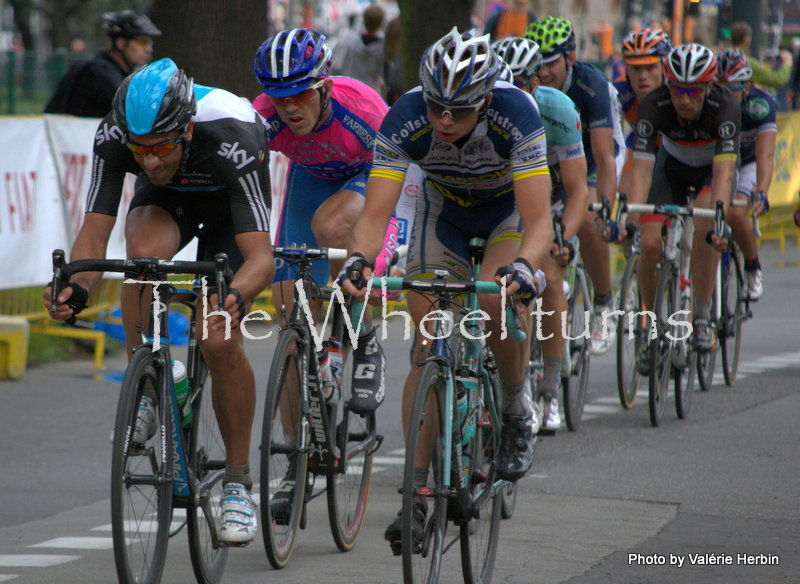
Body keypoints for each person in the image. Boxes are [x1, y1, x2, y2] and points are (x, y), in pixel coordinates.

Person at [44, 58, 274, 544]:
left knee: (218, 341)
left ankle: (237, 483)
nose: (149, 161)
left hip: (229, 204)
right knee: (142, 257)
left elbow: (260, 258)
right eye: (140, 150)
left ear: (186, 129)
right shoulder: (116, 133)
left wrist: (234, 297)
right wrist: (76, 290)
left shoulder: (233, 133)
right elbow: (95, 232)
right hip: (170, 202)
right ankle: (148, 380)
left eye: (161, 148)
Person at [340, 27, 552, 547]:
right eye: (437, 107)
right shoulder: (406, 117)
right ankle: (414, 497)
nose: (446, 120)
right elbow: (375, 213)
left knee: (491, 297)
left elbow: (539, 219)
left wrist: (524, 266)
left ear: (485, 98)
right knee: (428, 344)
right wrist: (359, 261)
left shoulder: (516, 112)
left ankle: (513, 403)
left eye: (459, 110)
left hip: (505, 216)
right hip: (444, 215)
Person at [252, 28, 393, 519]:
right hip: (312, 179)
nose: (289, 106)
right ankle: (297, 456)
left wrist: (375, 258)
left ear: (325, 86)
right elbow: (241, 181)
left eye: (300, 93)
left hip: (370, 177)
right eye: (279, 94)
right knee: (290, 319)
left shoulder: (363, 109)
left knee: (332, 225)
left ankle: (362, 330)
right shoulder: (265, 117)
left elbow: (397, 183)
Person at [493, 35, 588, 433]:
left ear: (538, 83)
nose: (516, 92)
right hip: (508, 202)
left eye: (525, 83)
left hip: (553, 198)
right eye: (507, 82)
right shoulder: (491, 109)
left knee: (548, 279)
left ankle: (548, 391)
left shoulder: (558, 109)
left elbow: (579, 189)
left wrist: (562, 236)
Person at [625, 43, 740, 370]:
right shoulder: (653, 104)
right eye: (677, 89)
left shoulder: (725, 105)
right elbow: (643, 170)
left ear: (708, 87)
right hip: (670, 168)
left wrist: (719, 222)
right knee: (648, 244)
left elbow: (723, 173)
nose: (684, 99)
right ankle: (652, 325)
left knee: (705, 223)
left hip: (710, 170)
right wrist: (632, 220)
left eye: (693, 91)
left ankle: (702, 314)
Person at [525, 16, 626, 356]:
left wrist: (607, 210)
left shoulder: (591, 86)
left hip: (594, 159)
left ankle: (603, 301)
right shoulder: (527, 85)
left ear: (570, 57)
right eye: (536, 64)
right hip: (552, 163)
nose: (542, 73)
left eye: (550, 63)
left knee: (587, 218)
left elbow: (604, 154)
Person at [715, 48, 775, 300]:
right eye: (720, 88)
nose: (725, 96)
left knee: (736, 214)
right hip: (718, 160)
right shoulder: (708, 102)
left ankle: (752, 266)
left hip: (748, 162)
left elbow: (765, 155)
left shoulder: (760, 106)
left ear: (747, 88)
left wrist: (761, 191)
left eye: (733, 90)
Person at [45, 10, 161, 117]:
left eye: (150, 42)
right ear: (121, 43)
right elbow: (133, 111)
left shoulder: (116, 72)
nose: (148, 49)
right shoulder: (98, 73)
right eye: (143, 41)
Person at [614, 28, 672, 196]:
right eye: (636, 69)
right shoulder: (620, 92)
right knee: (626, 191)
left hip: (676, 147)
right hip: (640, 140)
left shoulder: (677, 92)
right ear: (627, 70)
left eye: (650, 67)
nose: (642, 76)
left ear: (665, 67)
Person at [335, 3, 386, 93]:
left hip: (351, 88)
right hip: (370, 91)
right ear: (380, 24)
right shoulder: (381, 48)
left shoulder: (353, 42)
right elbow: (381, 72)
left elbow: (344, 66)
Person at [730, 21, 793, 90]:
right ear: (747, 39)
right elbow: (777, 80)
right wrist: (787, 64)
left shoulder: (723, 58)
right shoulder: (748, 63)